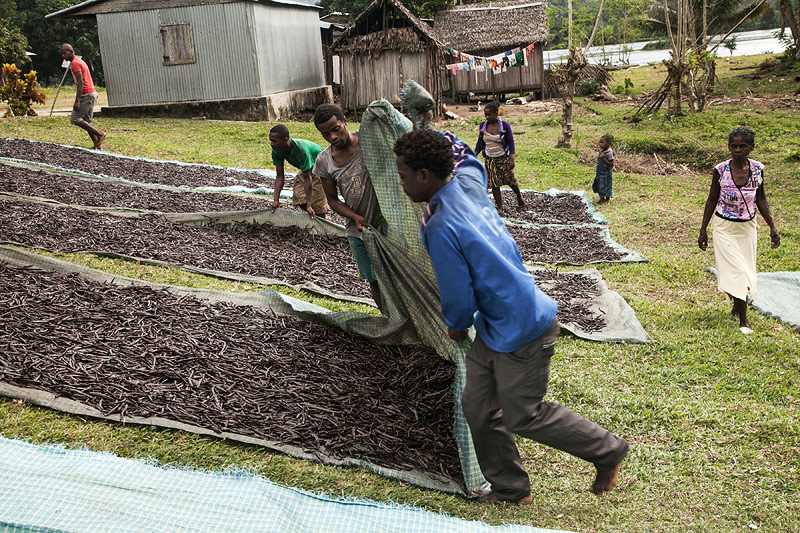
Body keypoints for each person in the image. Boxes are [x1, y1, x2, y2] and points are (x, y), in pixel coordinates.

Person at [394, 128, 629, 503]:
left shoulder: (440, 225)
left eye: (404, 175)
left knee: (523, 414)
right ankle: (511, 488)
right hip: (496, 325)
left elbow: (458, 294)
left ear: (424, 175)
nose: (401, 183)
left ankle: (608, 450)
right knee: (478, 407)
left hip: (524, 327)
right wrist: (425, 126)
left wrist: (456, 326)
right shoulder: (467, 181)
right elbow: (466, 156)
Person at [698, 127, 780, 334]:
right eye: (733, 146)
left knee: (746, 269)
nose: (737, 150)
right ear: (729, 147)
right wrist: (703, 230)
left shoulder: (758, 170)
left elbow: (760, 199)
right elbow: (711, 200)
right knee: (738, 271)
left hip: (747, 228)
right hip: (724, 227)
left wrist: (772, 227)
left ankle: (736, 305)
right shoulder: (720, 170)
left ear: (751, 147)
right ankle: (744, 320)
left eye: (742, 146)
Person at [312, 104, 386, 312]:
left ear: (344, 120)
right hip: (358, 230)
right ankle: (389, 319)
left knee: (395, 275)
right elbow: (332, 200)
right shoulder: (324, 161)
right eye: (326, 134)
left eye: (336, 129)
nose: (333, 137)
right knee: (374, 279)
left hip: (387, 223)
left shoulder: (367, 141)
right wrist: (354, 216)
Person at [268, 124, 329, 219]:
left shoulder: (301, 150)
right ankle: (317, 216)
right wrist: (276, 200)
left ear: (285, 139)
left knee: (317, 203)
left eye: (274, 141)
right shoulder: (277, 150)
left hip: (321, 167)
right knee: (299, 198)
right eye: (271, 140)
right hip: (307, 169)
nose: (271, 144)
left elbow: (307, 178)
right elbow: (280, 176)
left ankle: (323, 219)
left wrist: (309, 204)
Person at [474, 101, 524, 215]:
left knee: (511, 180)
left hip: (502, 158)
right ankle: (500, 207)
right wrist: (473, 155)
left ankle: (519, 197)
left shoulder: (505, 126)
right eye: (485, 114)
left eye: (489, 114)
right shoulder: (483, 126)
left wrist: (512, 158)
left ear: (496, 113)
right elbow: (480, 143)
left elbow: (511, 142)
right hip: (490, 159)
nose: (487, 117)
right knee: (494, 183)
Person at [59, 43, 105, 150]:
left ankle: (99, 134)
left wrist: (77, 101)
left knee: (75, 119)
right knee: (87, 121)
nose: (63, 56)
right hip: (91, 93)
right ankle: (97, 145)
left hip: (87, 94)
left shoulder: (75, 63)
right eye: (62, 54)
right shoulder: (78, 62)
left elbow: (80, 83)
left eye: (65, 53)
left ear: (71, 52)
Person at [592, 135, 615, 204]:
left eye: (602, 142)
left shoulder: (609, 152)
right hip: (600, 172)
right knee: (599, 185)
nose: (600, 144)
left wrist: (604, 158)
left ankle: (607, 199)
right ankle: (602, 198)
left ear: (608, 144)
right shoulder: (602, 151)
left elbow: (611, 164)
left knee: (606, 185)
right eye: (600, 142)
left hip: (606, 173)